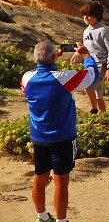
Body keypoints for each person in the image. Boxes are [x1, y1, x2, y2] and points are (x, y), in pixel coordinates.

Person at [23, 39, 96, 222]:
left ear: (35, 58)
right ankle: (61, 220)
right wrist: (86, 55)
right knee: (61, 181)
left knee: (40, 177)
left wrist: (53, 59)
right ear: (54, 56)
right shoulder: (65, 78)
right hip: (63, 137)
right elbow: (91, 75)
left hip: (39, 136)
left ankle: (41, 217)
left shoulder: (26, 78)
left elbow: (32, 85)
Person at [78, 1, 109, 114]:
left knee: (89, 86)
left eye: (89, 15)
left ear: (97, 16)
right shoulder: (86, 30)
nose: (86, 17)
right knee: (98, 95)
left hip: (101, 64)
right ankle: (103, 115)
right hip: (90, 63)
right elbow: (86, 47)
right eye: (84, 15)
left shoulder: (103, 30)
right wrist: (77, 54)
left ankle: (93, 110)